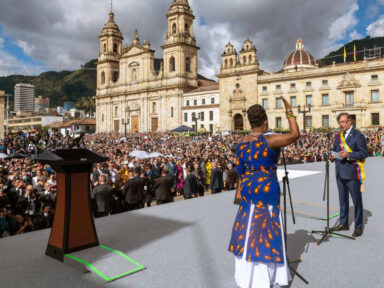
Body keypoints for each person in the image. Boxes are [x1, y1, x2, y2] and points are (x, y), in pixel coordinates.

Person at [228, 98, 300, 288]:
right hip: (267, 189)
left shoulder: (241, 143)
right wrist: (289, 111)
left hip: (248, 189)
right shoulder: (271, 141)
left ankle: (247, 275)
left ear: (250, 122)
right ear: (265, 122)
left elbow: (240, 170)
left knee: (248, 226)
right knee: (266, 228)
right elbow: (294, 134)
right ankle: (267, 274)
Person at [330, 113, 368, 237]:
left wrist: (349, 155)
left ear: (349, 121)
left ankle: (358, 226)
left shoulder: (358, 135)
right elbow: (335, 150)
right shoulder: (338, 136)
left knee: (357, 201)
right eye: (339, 122)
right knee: (343, 200)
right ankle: (343, 222)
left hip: (352, 173)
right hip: (340, 172)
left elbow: (363, 153)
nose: (341, 124)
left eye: (343, 121)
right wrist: (332, 156)